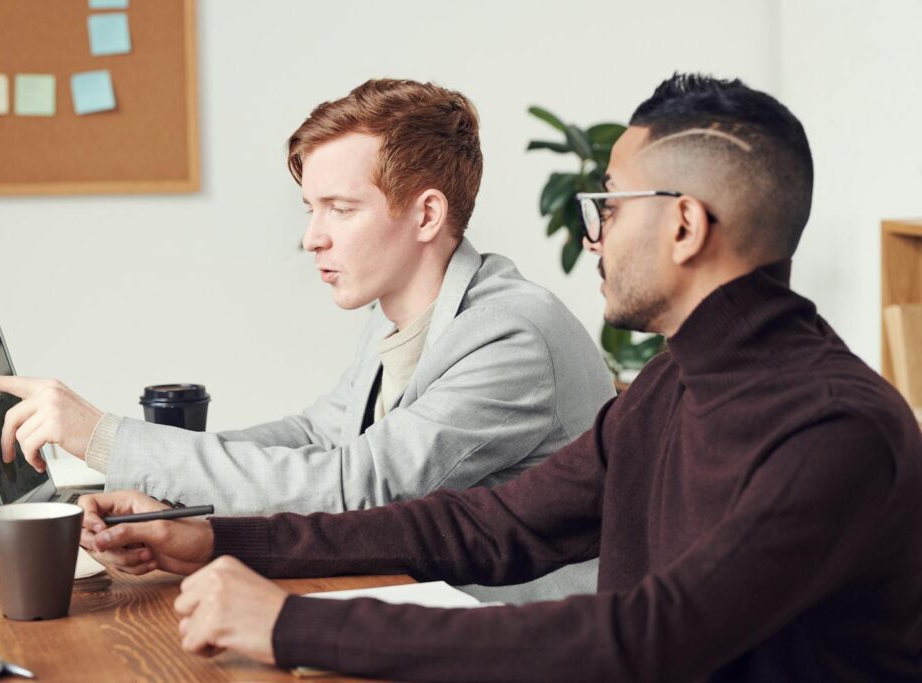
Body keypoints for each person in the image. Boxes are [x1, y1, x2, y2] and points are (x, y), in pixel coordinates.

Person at [80, 73, 922, 682]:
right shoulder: (672, 387)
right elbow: (484, 527)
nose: (592, 235)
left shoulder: (836, 430)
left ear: (685, 225)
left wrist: (297, 624)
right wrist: (217, 536)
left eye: (609, 206)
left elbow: (651, 639)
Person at [0, 79, 616, 601]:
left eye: (339, 208)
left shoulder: (511, 335)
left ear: (426, 214)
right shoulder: (400, 308)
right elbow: (317, 435)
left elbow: (359, 484)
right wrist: (159, 498)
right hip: (410, 599)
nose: (312, 237)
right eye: (311, 209)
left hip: (517, 641)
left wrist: (106, 437)